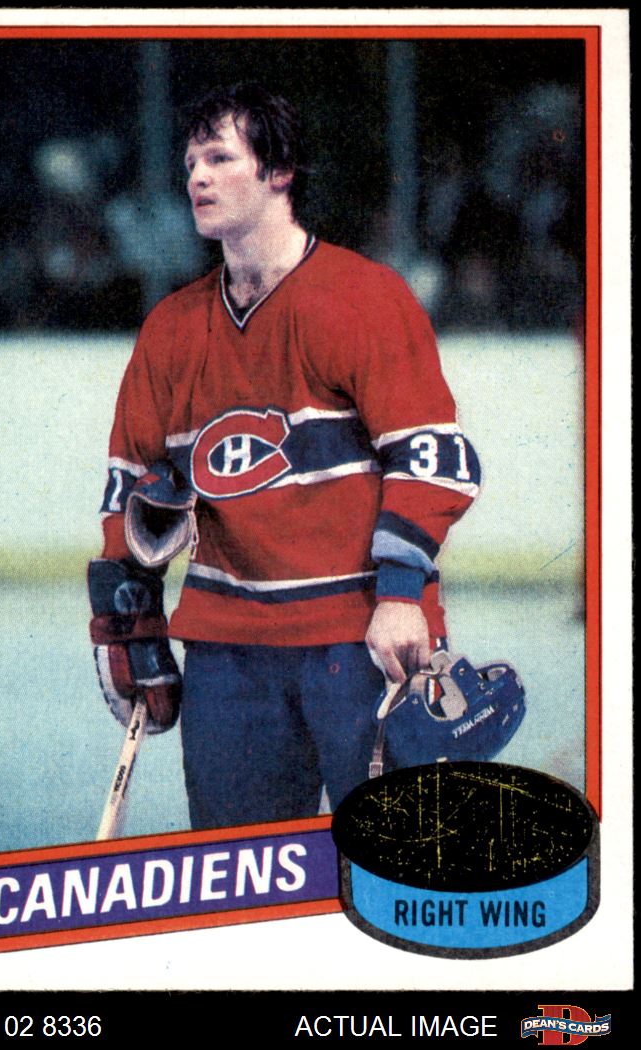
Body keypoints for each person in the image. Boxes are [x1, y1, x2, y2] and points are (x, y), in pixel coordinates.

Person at [88, 82, 480, 831]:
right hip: (227, 653)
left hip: (360, 638)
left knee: (394, 870)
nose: (196, 177)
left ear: (278, 172)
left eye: (218, 158)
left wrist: (402, 596)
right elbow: (131, 482)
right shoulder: (171, 330)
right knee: (241, 880)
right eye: (190, 163)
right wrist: (129, 609)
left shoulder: (363, 298)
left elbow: (429, 460)